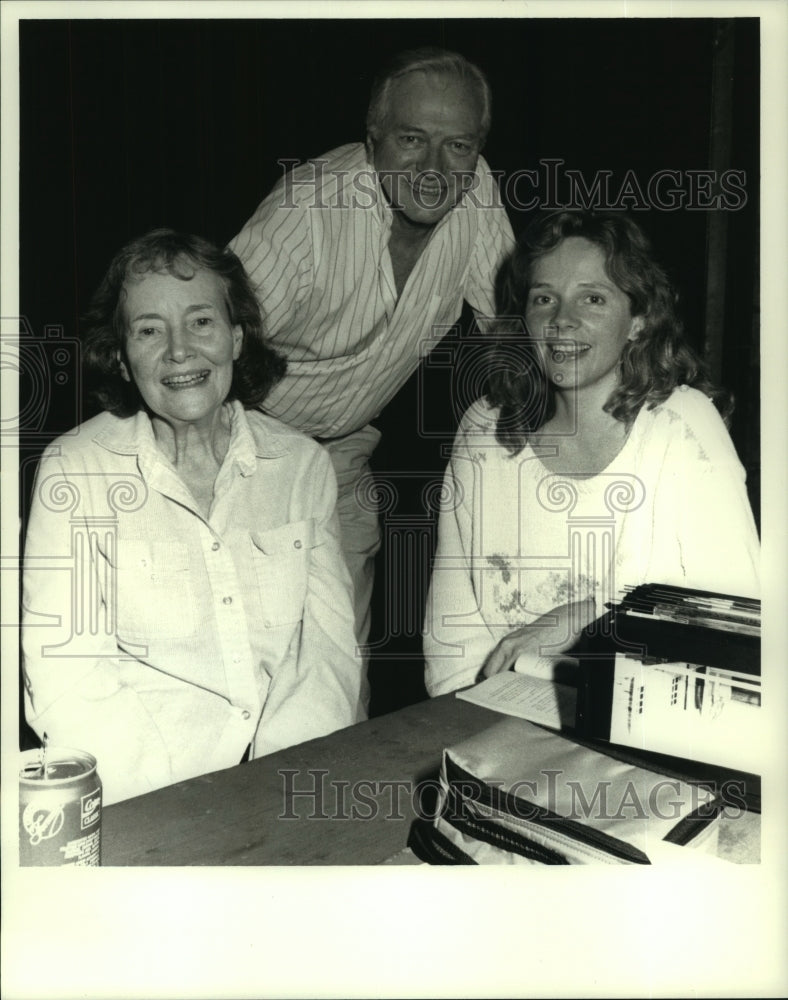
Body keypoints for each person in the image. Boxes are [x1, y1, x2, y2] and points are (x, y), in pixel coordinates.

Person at [22, 229, 365, 805]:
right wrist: (176, 803)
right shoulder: (75, 471)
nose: (179, 351)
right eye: (149, 330)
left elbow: (326, 655)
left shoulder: (301, 466)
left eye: (201, 322)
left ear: (236, 338)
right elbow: (66, 678)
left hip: (285, 783)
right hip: (143, 791)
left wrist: (280, 787)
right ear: (124, 359)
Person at [227, 47, 515, 680]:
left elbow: (511, 330)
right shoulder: (306, 214)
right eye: (412, 139)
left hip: (347, 445)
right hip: (245, 438)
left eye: (459, 146)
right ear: (374, 138)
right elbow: (211, 344)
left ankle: (329, 773)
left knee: (339, 659)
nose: (437, 168)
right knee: (245, 651)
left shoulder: (478, 192)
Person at [423, 210, 760, 696]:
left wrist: (590, 615)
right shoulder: (483, 430)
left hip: (642, 734)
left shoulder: (682, 426)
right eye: (544, 298)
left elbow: (735, 619)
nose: (563, 320)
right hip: (501, 722)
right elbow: (452, 641)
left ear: (639, 321)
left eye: (593, 298)